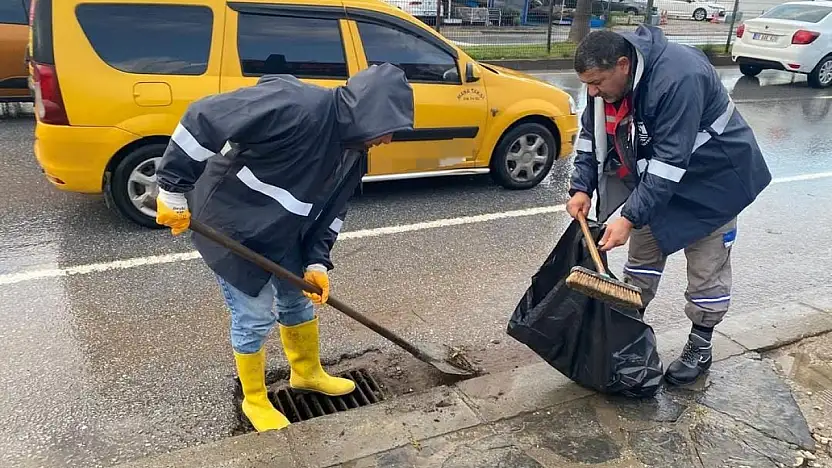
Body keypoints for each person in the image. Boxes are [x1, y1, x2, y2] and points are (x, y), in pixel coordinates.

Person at [153, 63, 414, 431]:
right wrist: (171, 187)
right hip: (231, 226)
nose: (387, 141)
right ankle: (255, 399)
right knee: (254, 315)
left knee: (297, 299)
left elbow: (330, 213)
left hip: (284, 230)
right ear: (369, 113)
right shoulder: (295, 105)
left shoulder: (353, 150)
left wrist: (317, 262)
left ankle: (306, 372)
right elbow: (204, 116)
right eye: (388, 130)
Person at [565, 25, 771, 386]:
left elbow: (669, 161)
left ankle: (700, 344)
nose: (592, 92)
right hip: (656, 184)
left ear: (624, 65)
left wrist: (628, 217)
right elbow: (590, 139)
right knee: (641, 264)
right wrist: (581, 187)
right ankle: (625, 337)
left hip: (712, 185)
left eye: (597, 82)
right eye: (587, 84)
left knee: (707, 270)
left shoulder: (679, 77)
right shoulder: (605, 89)